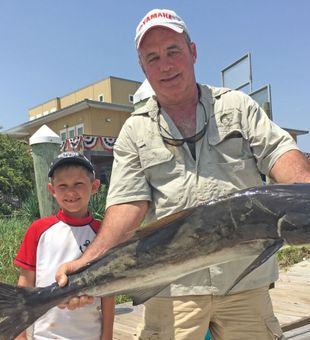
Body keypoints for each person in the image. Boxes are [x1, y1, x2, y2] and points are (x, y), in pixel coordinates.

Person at [56, 9, 310, 340]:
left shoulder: (237, 107)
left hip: (244, 284)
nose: (165, 64)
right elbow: (128, 205)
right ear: (143, 68)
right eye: (153, 57)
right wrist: (89, 261)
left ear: (192, 51)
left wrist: (304, 190)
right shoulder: (135, 130)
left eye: (173, 50)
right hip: (172, 288)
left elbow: (282, 157)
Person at [14, 151, 115, 340]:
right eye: (62, 186)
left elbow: (108, 292)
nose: (70, 192)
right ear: (52, 190)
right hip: (45, 335)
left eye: (78, 184)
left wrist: (107, 334)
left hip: (90, 334)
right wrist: (20, 335)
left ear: (94, 186)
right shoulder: (38, 229)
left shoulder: (103, 234)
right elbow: (25, 285)